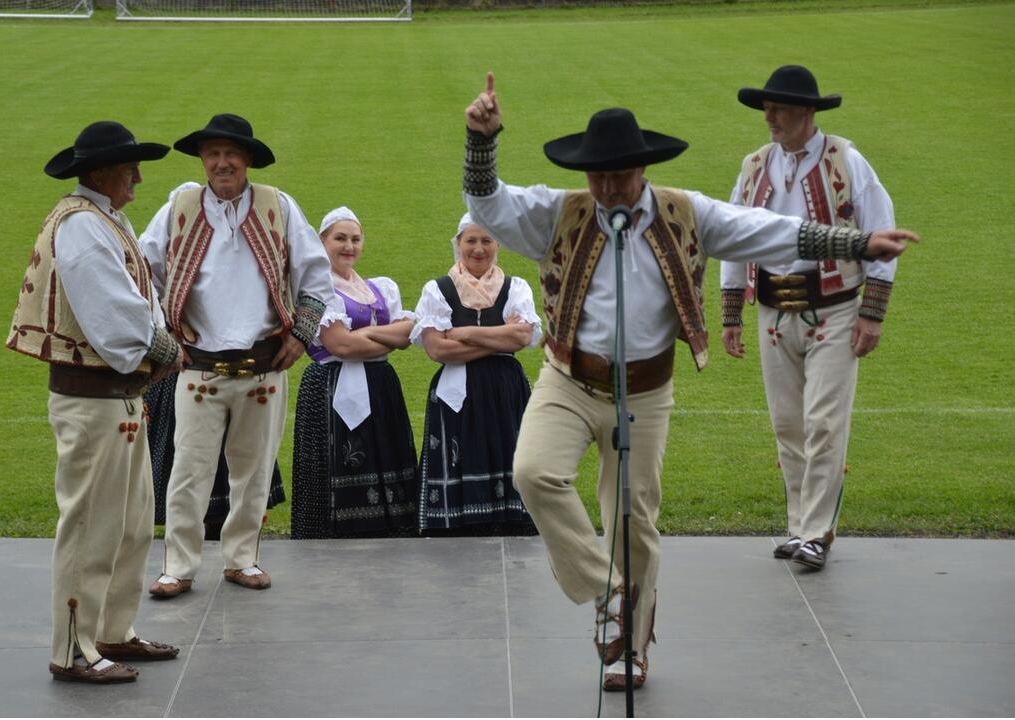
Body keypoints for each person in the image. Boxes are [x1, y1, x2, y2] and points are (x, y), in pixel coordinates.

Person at [461, 72, 916, 690]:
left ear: (643, 171)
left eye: (620, 175)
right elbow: (488, 205)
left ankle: (631, 650)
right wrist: (480, 140)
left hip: (646, 392)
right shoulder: (560, 212)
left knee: (634, 521)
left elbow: (769, 231)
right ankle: (608, 594)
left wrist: (858, 240)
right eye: (598, 175)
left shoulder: (687, 212)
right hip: (567, 380)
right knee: (532, 473)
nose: (608, 188)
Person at [6, 121, 183, 683]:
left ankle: (111, 630)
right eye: (129, 165)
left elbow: (138, 300)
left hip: (121, 397)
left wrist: (153, 351)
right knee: (90, 526)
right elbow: (114, 314)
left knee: (130, 524)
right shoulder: (82, 225)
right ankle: (72, 649)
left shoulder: (104, 218)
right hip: (93, 399)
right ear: (101, 171)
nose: (137, 175)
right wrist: (165, 349)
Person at [138, 113, 332, 597]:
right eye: (212, 154)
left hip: (264, 365)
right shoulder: (179, 207)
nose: (221, 163)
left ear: (247, 159)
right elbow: (144, 272)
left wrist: (302, 334)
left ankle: (241, 559)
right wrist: (164, 335)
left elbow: (315, 275)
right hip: (198, 367)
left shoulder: (278, 205)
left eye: (230, 154)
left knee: (254, 472)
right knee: (188, 471)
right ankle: (178, 566)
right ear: (202, 159)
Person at [720, 65, 898, 570]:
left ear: (808, 112)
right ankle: (798, 526)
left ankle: (817, 532)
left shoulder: (847, 160)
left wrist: (873, 313)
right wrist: (732, 312)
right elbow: (733, 235)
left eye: (778, 108)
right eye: (767, 108)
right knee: (788, 424)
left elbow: (881, 233)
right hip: (773, 311)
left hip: (837, 307)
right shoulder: (755, 165)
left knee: (824, 420)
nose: (769, 116)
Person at [291, 207, 419, 538]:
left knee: (384, 454)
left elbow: (407, 336)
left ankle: (387, 526)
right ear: (322, 242)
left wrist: (362, 337)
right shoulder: (318, 290)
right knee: (337, 461)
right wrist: (383, 336)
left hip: (379, 385)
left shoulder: (379, 287)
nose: (349, 246)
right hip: (330, 388)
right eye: (340, 238)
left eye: (355, 239)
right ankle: (335, 531)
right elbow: (340, 347)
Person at [411, 213, 542, 535]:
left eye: (487, 240)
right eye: (471, 240)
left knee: (507, 449)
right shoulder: (438, 289)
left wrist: (462, 332)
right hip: (457, 390)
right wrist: (501, 340)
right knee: (461, 452)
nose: (478, 249)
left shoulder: (516, 287)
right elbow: (438, 351)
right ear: (458, 244)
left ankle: (509, 519)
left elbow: (523, 337)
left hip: (505, 388)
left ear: (498, 244)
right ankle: (455, 521)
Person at [143, 375, 286, 539]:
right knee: (187, 464)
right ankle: (182, 551)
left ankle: (230, 543)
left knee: (235, 459)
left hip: (233, 376)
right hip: (188, 374)